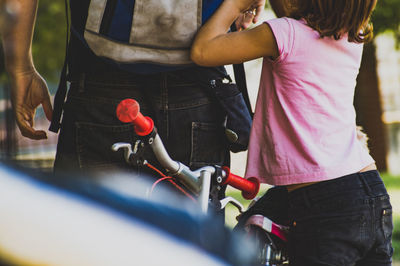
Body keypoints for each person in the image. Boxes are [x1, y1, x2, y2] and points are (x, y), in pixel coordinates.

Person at [191, 0, 394, 265]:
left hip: (325, 202)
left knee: (240, 241)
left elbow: (203, 50)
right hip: (372, 192)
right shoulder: (351, 35)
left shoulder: (284, 33)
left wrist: (238, 4)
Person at [1, 0, 263, 179]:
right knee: (189, 247)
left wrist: (21, 66)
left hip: (100, 88)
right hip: (199, 91)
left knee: (87, 243)